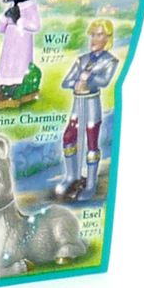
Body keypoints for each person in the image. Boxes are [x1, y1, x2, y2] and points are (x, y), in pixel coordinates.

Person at [56, 19, 119, 200]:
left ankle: (90, 184)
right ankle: (71, 176)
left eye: (99, 35)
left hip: (92, 106)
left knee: (91, 143)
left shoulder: (109, 61)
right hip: (78, 106)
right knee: (69, 137)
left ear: (107, 38)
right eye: (93, 35)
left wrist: (88, 80)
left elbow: (104, 81)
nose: (94, 39)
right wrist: (77, 83)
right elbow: (66, 81)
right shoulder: (82, 59)